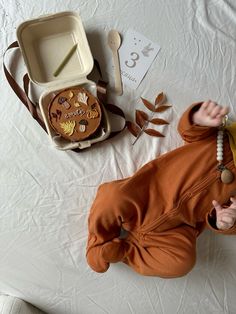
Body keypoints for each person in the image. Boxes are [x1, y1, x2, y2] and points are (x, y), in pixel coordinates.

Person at [86, 101, 236, 278]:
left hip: (178, 227)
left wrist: (225, 223)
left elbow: (228, 219)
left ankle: (126, 251)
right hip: (145, 196)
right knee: (113, 196)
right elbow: (188, 131)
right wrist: (199, 118)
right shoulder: (220, 136)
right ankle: (97, 243)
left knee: (182, 263)